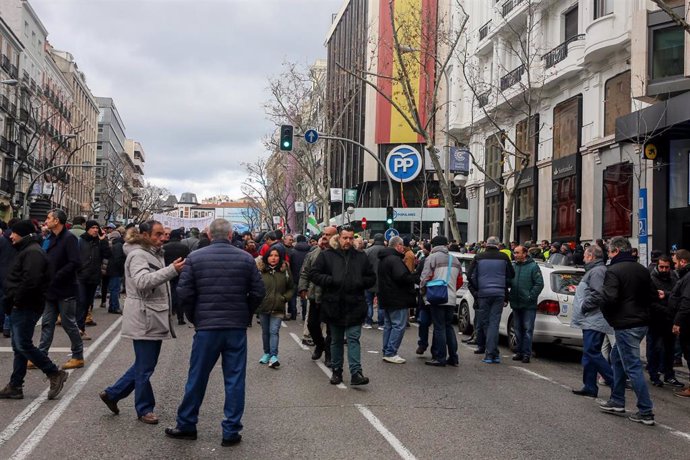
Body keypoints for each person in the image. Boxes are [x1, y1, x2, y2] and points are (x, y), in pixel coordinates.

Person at [165, 219, 265, 447]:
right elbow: (259, 291)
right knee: (235, 379)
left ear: (209, 235)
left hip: (207, 327)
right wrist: (245, 314)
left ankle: (187, 423)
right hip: (235, 327)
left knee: (197, 377)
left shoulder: (195, 258)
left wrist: (195, 317)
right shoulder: (245, 258)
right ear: (231, 235)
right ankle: (231, 430)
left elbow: (184, 292)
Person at [99, 221, 184, 425]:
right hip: (144, 316)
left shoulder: (153, 252)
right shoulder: (138, 254)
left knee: (144, 364)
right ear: (145, 235)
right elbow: (142, 282)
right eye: (157, 234)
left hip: (152, 316)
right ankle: (144, 408)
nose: (162, 237)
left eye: (163, 234)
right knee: (145, 366)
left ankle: (113, 393)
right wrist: (172, 270)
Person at [0, 220, 69, 400]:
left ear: (22, 233)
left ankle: (54, 372)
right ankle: (15, 385)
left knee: (23, 344)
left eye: (14, 233)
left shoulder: (33, 252)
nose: (11, 236)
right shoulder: (28, 250)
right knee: (19, 346)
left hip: (26, 305)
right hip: (23, 304)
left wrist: (16, 300)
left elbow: (31, 281)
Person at [595, 236, 658, 426]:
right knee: (617, 357)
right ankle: (617, 400)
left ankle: (645, 410)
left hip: (625, 323)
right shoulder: (642, 269)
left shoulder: (613, 270)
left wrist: (610, 316)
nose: (608, 254)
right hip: (641, 322)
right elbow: (653, 295)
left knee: (632, 366)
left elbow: (609, 298)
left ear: (614, 251)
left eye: (609, 251)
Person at [310, 225, 376, 385]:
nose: (348, 241)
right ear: (338, 238)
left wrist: (360, 282)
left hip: (355, 304)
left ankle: (356, 373)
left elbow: (371, 277)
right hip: (334, 305)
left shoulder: (360, 256)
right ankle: (337, 371)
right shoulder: (327, 256)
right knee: (336, 340)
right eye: (345, 237)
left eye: (351, 238)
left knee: (353, 338)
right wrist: (330, 281)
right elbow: (314, 274)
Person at [37, 209, 84, 370]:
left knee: (68, 323)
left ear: (57, 221)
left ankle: (78, 355)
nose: (46, 220)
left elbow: (75, 262)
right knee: (47, 323)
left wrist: (57, 276)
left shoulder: (69, 238)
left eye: (48, 218)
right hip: (50, 289)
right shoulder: (49, 238)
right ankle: (41, 355)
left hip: (66, 289)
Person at [570, 245, 614, 397]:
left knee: (591, 351)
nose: (583, 258)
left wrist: (584, 306)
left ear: (591, 256)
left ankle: (614, 381)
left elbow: (599, 294)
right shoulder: (594, 270)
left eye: (585, 255)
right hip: (590, 319)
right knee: (588, 354)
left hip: (594, 319)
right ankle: (589, 386)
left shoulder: (597, 271)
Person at [467, 235, 514, 364]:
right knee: (494, 323)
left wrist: (477, 289)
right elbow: (511, 275)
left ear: (486, 245)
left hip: (483, 294)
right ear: (498, 245)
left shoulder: (479, 257)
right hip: (499, 294)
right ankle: (493, 353)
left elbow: (470, 275)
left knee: (486, 323)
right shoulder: (504, 257)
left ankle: (491, 353)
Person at [419, 236, 463, 367]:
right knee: (448, 326)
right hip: (451, 297)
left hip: (436, 296)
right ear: (446, 245)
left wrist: (423, 291)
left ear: (433, 245)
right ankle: (453, 357)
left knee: (439, 327)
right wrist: (451, 290)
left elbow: (425, 277)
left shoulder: (431, 258)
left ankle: (440, 357)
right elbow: (459, 280)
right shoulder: (454, 259)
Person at [298, 226, 337, 365]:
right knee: (312, 325)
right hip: (315, 296)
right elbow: (305, 272)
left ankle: (329, 354)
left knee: (332, 329)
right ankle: (319, 344)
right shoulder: (313, 253)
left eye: (329, 234)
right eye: (324, 234)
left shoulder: (339, 253)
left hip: (332, 298)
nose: (326, 236)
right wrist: (303, 288)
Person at [377, 236, 417, 364]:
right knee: (398, 325)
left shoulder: (384, 259)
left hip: (386, 296)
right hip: (397, 297)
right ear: (398, 246)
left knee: (389, 325)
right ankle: (391, 352)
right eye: (402, 246)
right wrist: (414, 277)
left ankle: (387, 350)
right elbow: (402, 276)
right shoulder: (395, 260)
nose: (404, 248)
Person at [647, 255, 682, 388]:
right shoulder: (651, 279)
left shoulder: (674, 277)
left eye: (666, 267)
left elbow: (676, 296)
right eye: (661, 267)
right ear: (657, 266)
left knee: (669, 348)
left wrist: (667, 296)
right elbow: (651, 302)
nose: (664, 269)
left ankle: (669, 375)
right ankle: (654, 375)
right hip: (655, 319)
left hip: (669, 320)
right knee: (654, 348)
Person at [256, 246, 293, 368]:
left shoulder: (285, 270)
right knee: (265, 332)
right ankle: (266, 353)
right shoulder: (260, 271)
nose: (273, 258)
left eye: (276, 256)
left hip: (278, 306)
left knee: (274, 331)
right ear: (267, 257)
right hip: (263, 306)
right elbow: (255, 287)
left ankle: (273, 356)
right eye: (271, 255)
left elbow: (291, 287)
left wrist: (285, 298)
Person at [508, 245, 544, 363]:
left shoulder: (533, 267)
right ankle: (519, 351)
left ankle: (526, 354)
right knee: (517, 329)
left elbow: (539, 284)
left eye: (517, 253)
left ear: (524, 254)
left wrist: (530, 296)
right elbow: (509, 280)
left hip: (528, 305)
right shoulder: (513, 266)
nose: (515, 254)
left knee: (528, 329)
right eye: (514, 252)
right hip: (516, 303)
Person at [76, 220, 111, 337]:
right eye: (93, 228)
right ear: (87, 229)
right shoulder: (80, 241)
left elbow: (108, 255)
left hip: (94, 277)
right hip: (81, 277)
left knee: (87, 303)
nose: (95, 230)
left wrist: (104, 241)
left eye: (97, 227)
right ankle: (77, 328)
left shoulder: (100, 243)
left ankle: (81, 328)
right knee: (81, 301)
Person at [670, 249, 690, 397]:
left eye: (675, 262)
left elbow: (686, 302)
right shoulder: (685, 276)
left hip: (687, 323)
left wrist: (677, 322)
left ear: (683, 262)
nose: (674, 265)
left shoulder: (688, 277)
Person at [163, 229, 191, 325]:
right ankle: (180, 317)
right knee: (179, 294)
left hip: (167, 272)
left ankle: (168, 314)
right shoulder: (184, 248)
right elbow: (188, 260)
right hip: (181, 272)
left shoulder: (164, 247)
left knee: (168, 293)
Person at [363, 233, 386, 329]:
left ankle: (368, 322)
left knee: (368, 302)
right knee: (381, 304)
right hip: (383, 281)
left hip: (369, 280)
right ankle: (381, 324)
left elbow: (363, 266)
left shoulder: (367, 251)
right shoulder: (387, 251)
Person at [289, 235, 310, 321]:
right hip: (306, 277)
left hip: (294, 277)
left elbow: (290, 265)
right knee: (304, 296)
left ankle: (293, 314)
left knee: (293, 296)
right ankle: (304, 315)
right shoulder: (310, 251)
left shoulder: (293, 252)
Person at [105, 230, 126, 314]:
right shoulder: (119, 246)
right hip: (115, 271)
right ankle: (114, 307)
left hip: (112, 270)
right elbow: (118, 260)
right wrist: (122, 269)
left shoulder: (114, 245)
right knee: (115, 290)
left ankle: (112, 306)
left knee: (114, 289)